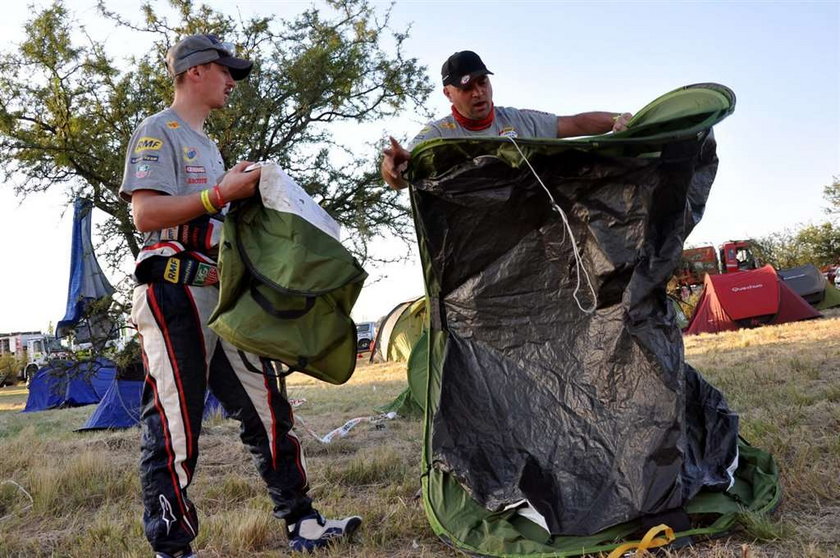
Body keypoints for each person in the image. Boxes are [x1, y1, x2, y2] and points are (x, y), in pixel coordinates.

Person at [119, 34, 361, 558]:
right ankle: (172, 547)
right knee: (175, 420)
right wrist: (219, 194)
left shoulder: (209, 145)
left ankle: (303, 523)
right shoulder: (158, 131)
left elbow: (216, 218)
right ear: (196, 70)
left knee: (267, 408)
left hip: (222, 298)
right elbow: (146, 215)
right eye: (226, 71)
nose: (232, 82)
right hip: (173, 292)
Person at [381, 50, 632, 190]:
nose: (479, 93)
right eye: (467, 88)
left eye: (483, 82)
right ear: (448, 93)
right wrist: (393, 170)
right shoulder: (436, 134)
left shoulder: (517, 120)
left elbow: (575, 123)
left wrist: (617, 119)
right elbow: (399, 179)